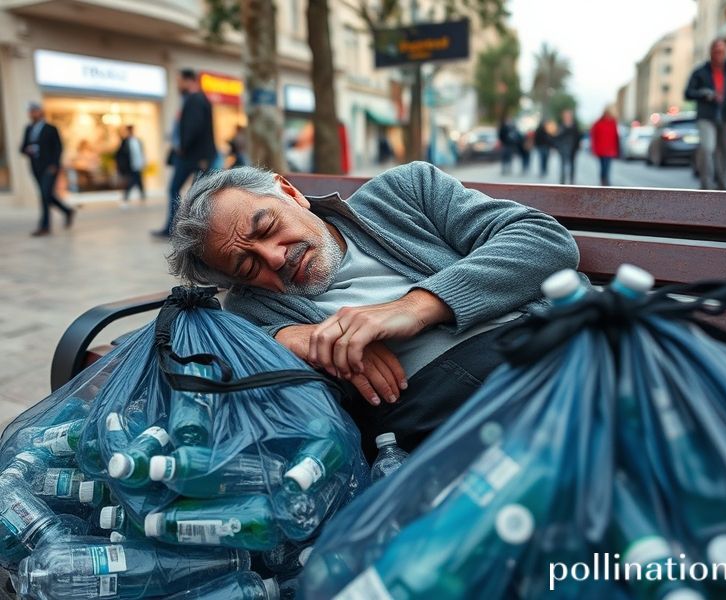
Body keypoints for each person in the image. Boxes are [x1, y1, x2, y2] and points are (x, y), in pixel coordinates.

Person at [167, 162, 581, 457]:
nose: (273, 258)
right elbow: (201, 351)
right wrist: (289, 339)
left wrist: (416, 307)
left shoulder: (407, 191)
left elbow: (545, 239)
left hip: (542, 345)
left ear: (290, 192)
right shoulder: (252, 309)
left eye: (268, 228)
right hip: (438, 418)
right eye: (248, 265)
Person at [153, 68, 216, 238]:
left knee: (179, 190)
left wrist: (183, 146)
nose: (177, 85)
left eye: (179, 81)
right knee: (195, 192)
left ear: (189, 80)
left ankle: (176, 228)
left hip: (191, 155)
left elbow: (195, 127)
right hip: (195, 155)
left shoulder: (195, 99)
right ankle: (189, 229)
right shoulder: (195, 99)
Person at [685, 38, 726, 190]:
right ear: (711, 52)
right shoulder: (700, 72)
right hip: (706, 116)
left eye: (722, 51)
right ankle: (706, 184)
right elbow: (688, 93)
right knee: (707, 148)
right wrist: (703, 93)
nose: (719, 54)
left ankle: (722, 185)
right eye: (716, 51)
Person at [19, 102, 75, 236]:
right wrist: (28, 150)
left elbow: (58, 147)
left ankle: (44, 226)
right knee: (46, 195)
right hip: (35, 166)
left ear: (41, 112)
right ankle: (67, 211)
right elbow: (22, 148)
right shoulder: (28, 129)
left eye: (35, 111)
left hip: (50, 167)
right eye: (30, 111)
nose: (32, 114)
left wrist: (55, 165)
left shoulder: (50, 128)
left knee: (45, 194)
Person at [115, 125, 146, 203]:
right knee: (134, 179)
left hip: (138, 163)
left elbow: (141, 152)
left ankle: (139, 194)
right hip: (130, 165)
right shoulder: (125, 141)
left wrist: (143, 162)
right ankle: (130, 194)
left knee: (138, 179)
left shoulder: (138, 140)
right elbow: (120, 154)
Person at [590, 109, 620, 186]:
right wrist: (593, 149)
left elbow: (616, 137)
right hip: (601, 150)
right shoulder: (598, 123)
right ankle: (603, 181)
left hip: (610, 150)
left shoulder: (613, 123)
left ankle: (605, 181)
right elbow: (594, 136)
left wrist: (617, 149)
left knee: (607, 166)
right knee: (603, 166)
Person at [553, 109, 581, 185]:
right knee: (562, 165)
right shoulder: (561, 125)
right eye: (566, 115)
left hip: (573, 148)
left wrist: (578, 146)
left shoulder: (574, 125)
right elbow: (557, 137)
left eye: (569, 115)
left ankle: (572, 180)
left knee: (572, 165)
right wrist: (557, 147)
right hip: (563, 148)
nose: (567, 117)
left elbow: (578, 136)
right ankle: (562, 181)